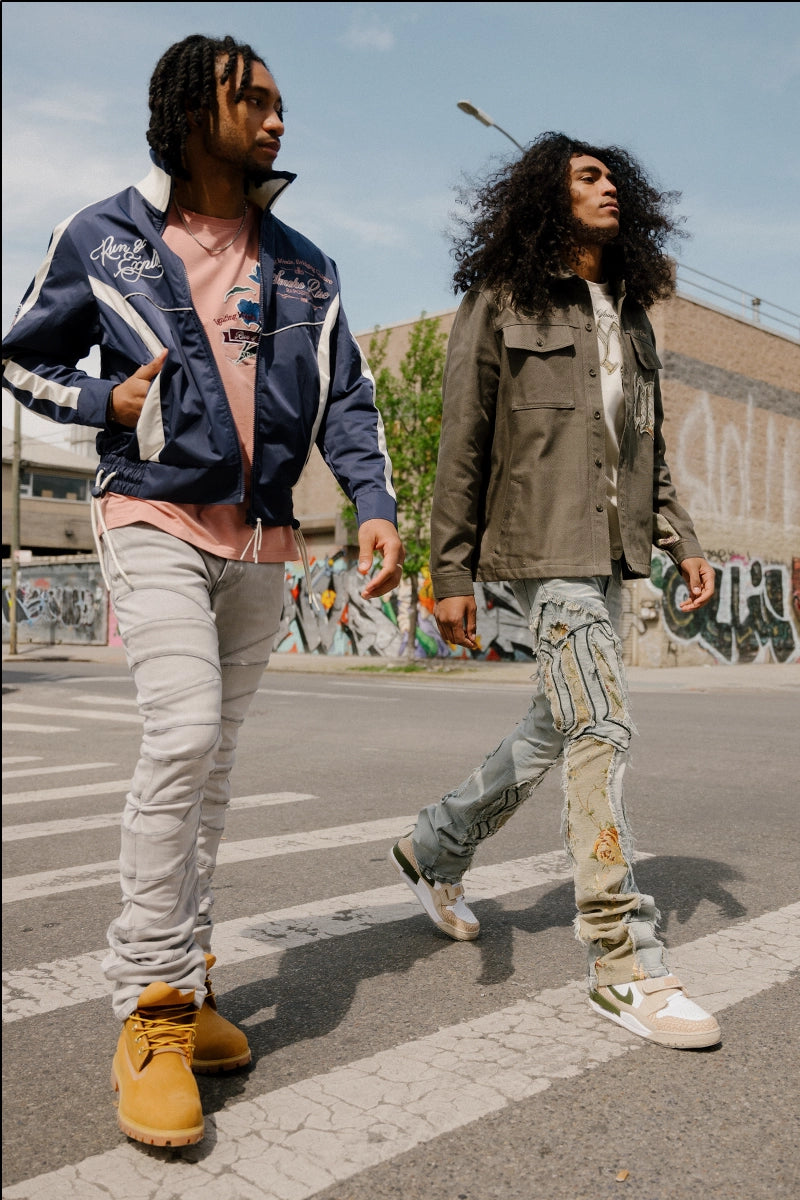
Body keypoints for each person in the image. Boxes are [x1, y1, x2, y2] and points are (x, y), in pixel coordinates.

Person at [3, 34, 403, 1146]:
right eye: (255, 100)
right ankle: (148, 1007)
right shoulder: (106, 235)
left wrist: (369, 499)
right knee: (180, 737)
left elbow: (350, 400)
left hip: (261, 535)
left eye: (282, 102)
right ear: (191, 110)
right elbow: (17, 357)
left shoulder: (307, 263)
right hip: (151, 512)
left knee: (214, 767)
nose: (278, 120)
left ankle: (191, 978)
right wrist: (102, 409)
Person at [390, 132, 721, 1051]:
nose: (608, 185)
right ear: (547, 196)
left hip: (610, 551)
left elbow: (642, 451)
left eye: (615, 175)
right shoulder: (501, 301)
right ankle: (622, 960)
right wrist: (448, 570)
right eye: (587, 175)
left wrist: (681, 540)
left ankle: (436, 845)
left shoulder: (632, 316)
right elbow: (463, 440)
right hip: (541, 550)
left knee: (557, 723)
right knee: (603, 727)